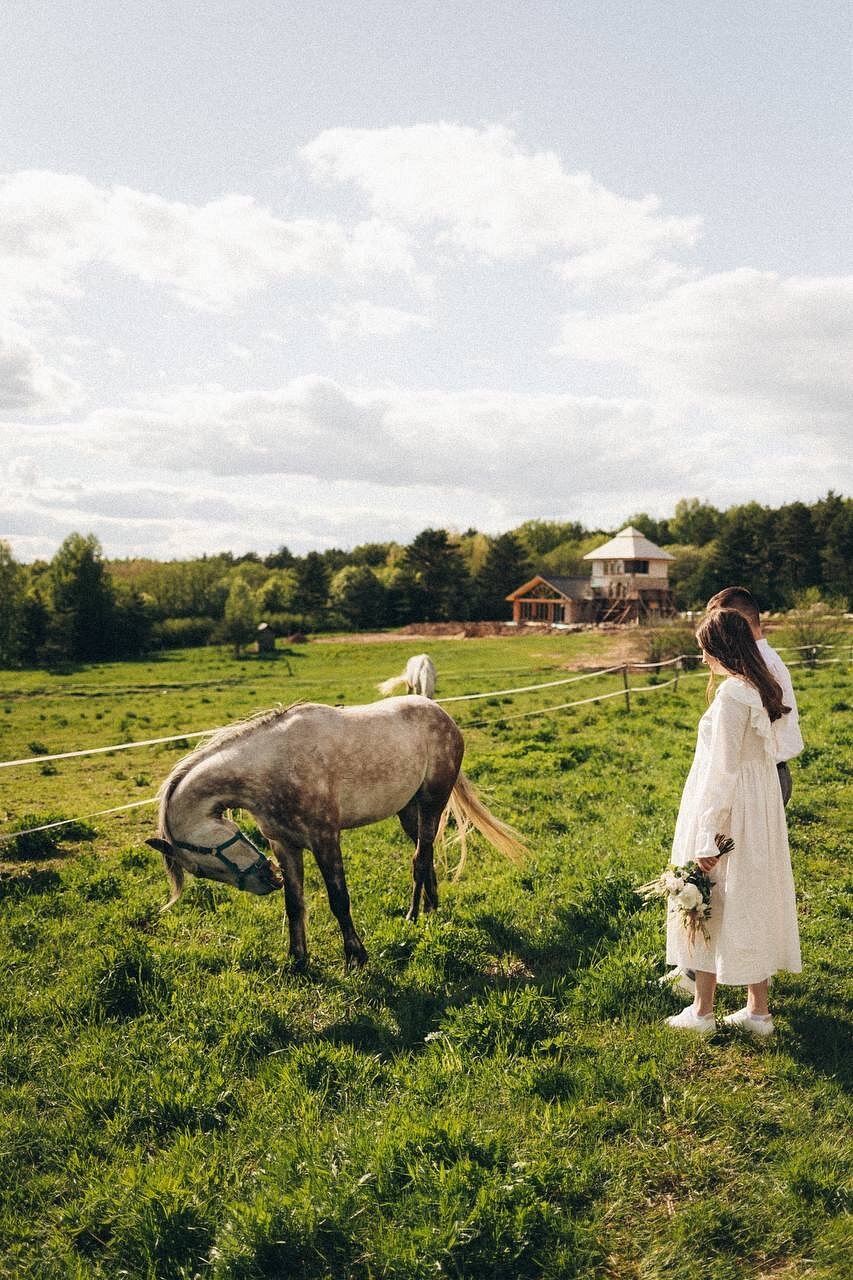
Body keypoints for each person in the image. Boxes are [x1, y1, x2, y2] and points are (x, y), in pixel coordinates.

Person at [663, 608, 801, 1036]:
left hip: (729, 811)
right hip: (758, 809)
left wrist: (707, 835)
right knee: (750, 897)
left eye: (705, 650)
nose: (703, 658)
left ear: (721, 648)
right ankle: (757, 1012)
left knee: (711, 898)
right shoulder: (759, 688)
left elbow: (722, 771)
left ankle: (702, 1011)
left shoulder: (730, 697)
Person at [705, 586, 804, 805]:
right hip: (767, 774)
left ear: (740, 622)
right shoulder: (761, 659)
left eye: (722, 621)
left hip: (763, 777)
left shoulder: (760, 664)